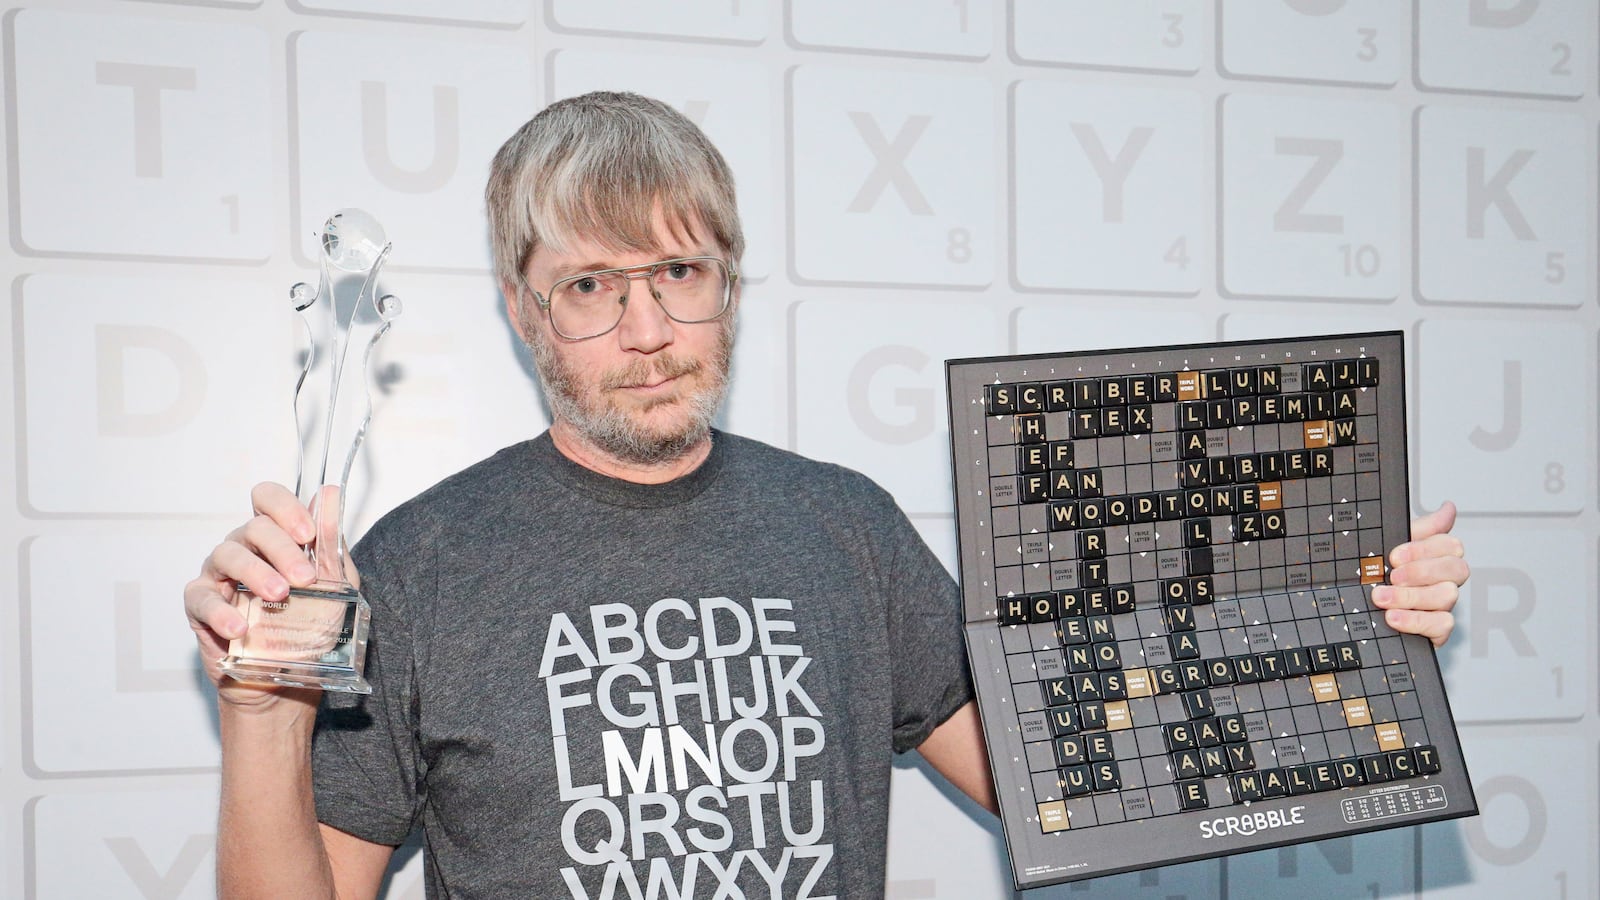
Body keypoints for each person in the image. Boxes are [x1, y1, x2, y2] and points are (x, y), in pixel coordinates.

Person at [183, 91, 1469, 899]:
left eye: (680, 271)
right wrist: (257, 710)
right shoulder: (417, 565)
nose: (645, 327)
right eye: (591, 285)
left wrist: (1340, 631)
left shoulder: (846, 527)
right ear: (525, 310)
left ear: (729, 289)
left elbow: (1074, 783)